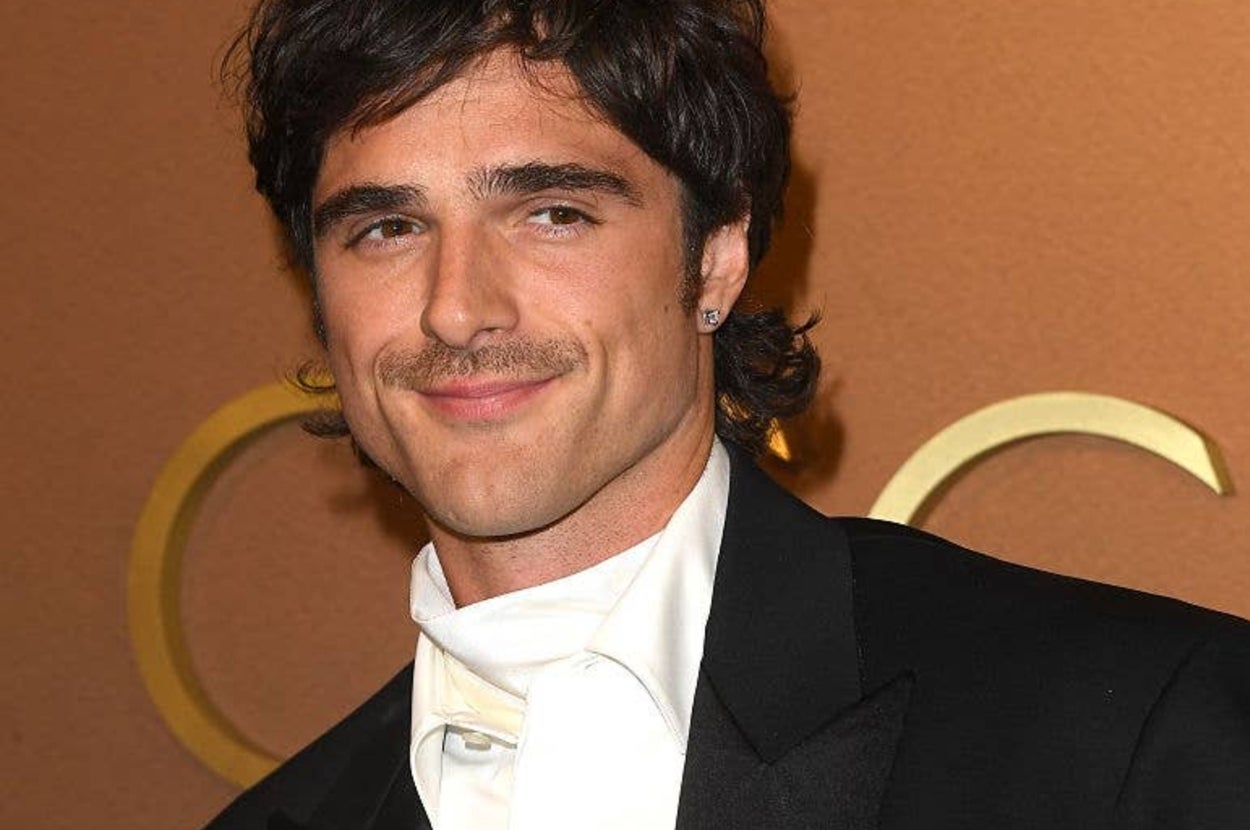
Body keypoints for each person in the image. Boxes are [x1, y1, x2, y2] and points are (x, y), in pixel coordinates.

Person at [207, 1, 1250, 827]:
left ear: (714, 258)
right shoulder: (289, 814)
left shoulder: (1130, 734)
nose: (457, 304)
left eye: (552, 213)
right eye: (387, 227)